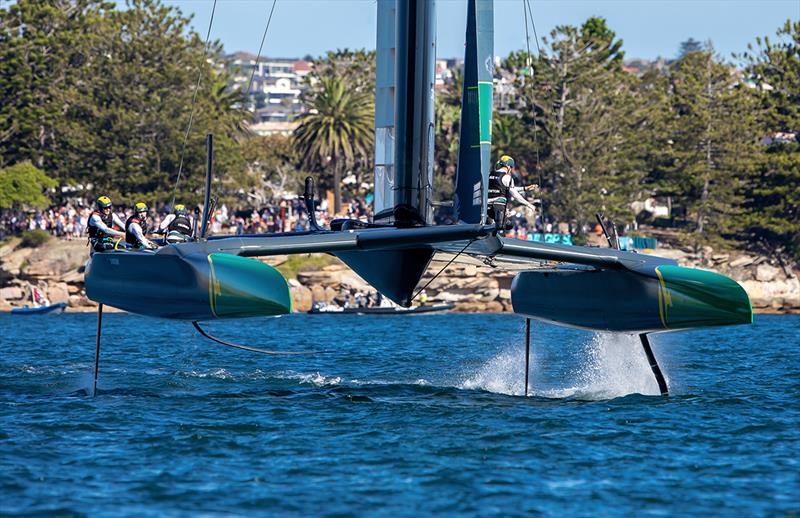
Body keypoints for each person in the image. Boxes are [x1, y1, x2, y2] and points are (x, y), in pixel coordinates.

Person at [487, 155, 538, 232]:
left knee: (491, 225)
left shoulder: (489, 175)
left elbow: (506, 188)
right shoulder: (507, 177)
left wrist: (524, 188)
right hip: (498, 208)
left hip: (486, 208)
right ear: (508, 166)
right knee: (509, 225)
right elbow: (515, 194)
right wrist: (529, 204)